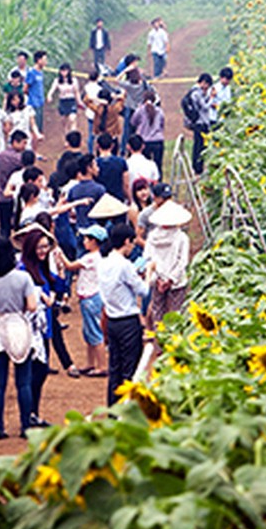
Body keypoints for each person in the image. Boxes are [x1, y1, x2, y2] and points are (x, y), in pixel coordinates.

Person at [0, 237, 41, 440]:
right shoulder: (22, 278)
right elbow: (32, 306)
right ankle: (24, 426)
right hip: (19, 326)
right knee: (23, 382)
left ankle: (0, 428)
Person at [99, 223, 147, 402]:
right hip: (128, 321)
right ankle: (127, 411)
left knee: (115, 369)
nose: (132, 247)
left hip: (112, 321)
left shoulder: (103, 263)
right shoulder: (124, 265)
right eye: (132, 243)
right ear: (126, 241)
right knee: (130, 369)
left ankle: (113, 409)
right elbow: (143, 291)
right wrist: (149, 274)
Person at [18, 227, 62, 413]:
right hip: (30, 329)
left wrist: (59, 268)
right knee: (35, 374)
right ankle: (29, 415)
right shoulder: (23, 270)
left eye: (45, 247)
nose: (43, 251)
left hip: (44, 328)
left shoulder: (41, 267)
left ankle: (33, 413)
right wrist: (41, 296)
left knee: (40, 373)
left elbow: (59, 285)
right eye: (39, 248)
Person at [57, 224, 108, 378]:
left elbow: (70, 266)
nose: (84, 241)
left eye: (87, 238)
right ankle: (91, 363)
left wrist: (60, 254)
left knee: (94, 333)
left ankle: (101, 366)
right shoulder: (98, 257)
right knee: (89, 332)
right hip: (93, 297)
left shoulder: (90, 258)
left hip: (90, 298)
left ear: (95, 241)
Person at [144, 202, 191, 332]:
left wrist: (158, 279)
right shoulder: (181, 237)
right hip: (176, 283)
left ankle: (159, 346)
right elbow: (183, 262)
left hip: (157, 280)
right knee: (176, 314)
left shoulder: (152, 237)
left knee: (158, 313)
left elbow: (148, 259)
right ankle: (174, 345)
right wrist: (170, 280)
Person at [0, 130, 29, 240]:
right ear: (15, 142)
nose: (25, 146)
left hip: (0, 196)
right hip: (15, 197)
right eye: (23, 143)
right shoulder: (19, 159)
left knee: (4, 226)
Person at [181, 73, 215, 176]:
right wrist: (212, 98)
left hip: (200, 122)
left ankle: (198, 166)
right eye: (207, 85)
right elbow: (204, 107)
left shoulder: (196, 92)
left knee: (200, 146)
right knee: (199, 146)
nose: (207, 88)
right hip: (199, 123)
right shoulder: (196, 92)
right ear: (203, 82)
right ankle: (197, 167)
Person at [65, 154, 107, 230]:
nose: (98, 169)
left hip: (78, 228)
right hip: (96, 230)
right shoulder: (99, 189)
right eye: (96, 166)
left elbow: (68, 209)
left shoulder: (73, 190)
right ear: (89, 168)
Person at [132, 89, 165, 177]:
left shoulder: (140, 110)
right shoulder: (159, 111)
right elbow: (162, 125)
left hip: (144, 141)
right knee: (158, 165)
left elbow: (133, 122)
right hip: (158, 141)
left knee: (144, 166)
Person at [48, 63, 81, 136]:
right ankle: (66, 136)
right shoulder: (57, 81)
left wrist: (79, 102)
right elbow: (52, 89)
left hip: (71, 100)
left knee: (72, 118)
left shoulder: (74, 80)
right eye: (62, 71)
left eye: (65, 71)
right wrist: (49, 95)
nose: (64, 73)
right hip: (63, 101)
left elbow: (76, 92)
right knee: (64, 121)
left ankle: (73, 134)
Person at [95, 134, 129, 201]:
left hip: (100, 200)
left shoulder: (94, 163)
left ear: (97, 146)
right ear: (112, 146)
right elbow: (126, 184)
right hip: (118, 199)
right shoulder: (121, 162)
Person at [26, 50, 47, 140]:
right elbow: (25, 88)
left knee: (39, 128)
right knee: (34, 128)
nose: (46, 62)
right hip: (33, 103)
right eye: (44, 59)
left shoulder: (40, 72)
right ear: (38, 60)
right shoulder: (32, 72)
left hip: (40, 102)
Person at [82, 71, 103, 152]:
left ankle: (90, 151)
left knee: (90, 133)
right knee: (98, 133)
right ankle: (99, 150)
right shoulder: (99, 88)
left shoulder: (86, 87)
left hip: (89, 112)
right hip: (97, 112)